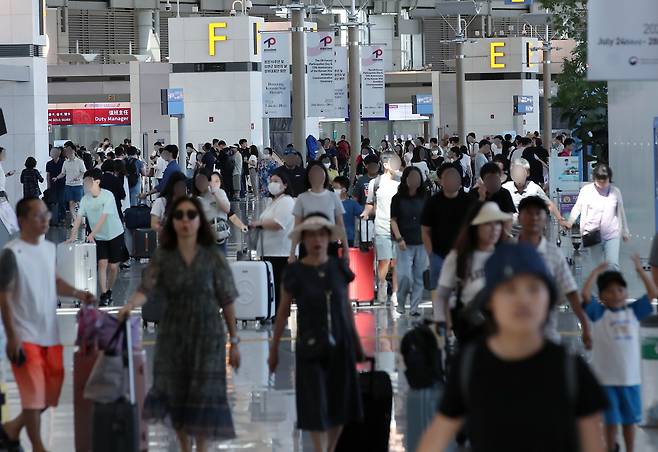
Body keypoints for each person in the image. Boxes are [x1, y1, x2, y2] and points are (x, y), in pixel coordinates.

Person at [417, 243, 608, 452]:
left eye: (534, 288)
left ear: (549, 298)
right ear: (490, 301)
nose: (523, 300)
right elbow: (435, 439)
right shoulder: (470, 367)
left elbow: (593, 444)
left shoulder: (571, 371)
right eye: (509, 289)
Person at [118, 196, 241, 452]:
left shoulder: (213, 257)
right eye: (179, 216)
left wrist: (235, 340)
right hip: (173, 334)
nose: (185, 221)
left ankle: (202, 448)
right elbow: (146, 287)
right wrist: (130, 305)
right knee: (176, 393)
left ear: (200, 221)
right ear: (172, 222)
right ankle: (185, 447)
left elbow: (227, 299)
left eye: (191, 215)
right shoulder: (164, 256)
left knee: (203, 394)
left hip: (208, 336)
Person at [0, 197, 95, 452]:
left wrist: (78, 293)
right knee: (33, 398)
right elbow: (5, 300)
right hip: (25, 337)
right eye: (38, 216)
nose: (45, 220)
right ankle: (39, 447)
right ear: (22, 221)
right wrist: (12, 337)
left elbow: (55, 281)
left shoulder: (48, 248)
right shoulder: (12, 254)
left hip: (50, 336)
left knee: (48, 395)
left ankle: (11, 429)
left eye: (46, 215)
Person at [269, 213, 365, 452]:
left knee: (340, 401)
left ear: (329, 238)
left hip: (340, 342)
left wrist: (357, 344)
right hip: (309, 344)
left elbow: (346, 308)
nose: (317, 240)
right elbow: (282, 313)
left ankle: (330, 448)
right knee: (314, 403)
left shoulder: (339, 269)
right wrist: (274, 350)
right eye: (311, 235)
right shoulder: (295, 273)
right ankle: (319, 448)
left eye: (321, 234)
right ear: (303, 239)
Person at [582, 257, 658, 452]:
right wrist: (596, 270)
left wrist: (641, 271)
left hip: (630, 380)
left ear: (626, 293)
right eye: (610, 290)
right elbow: (584, 294)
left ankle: (630, 449)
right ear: (602, 296)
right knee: (610, 421)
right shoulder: (599, 313)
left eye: (620, 289)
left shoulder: (633, 312)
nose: (616, 294)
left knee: (628, 422)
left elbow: (652, 293)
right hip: (606, 381)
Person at [516, 196, 592, 348]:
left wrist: (585, 325)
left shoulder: (554, 254)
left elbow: (570, 291)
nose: (534, 218)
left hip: (545, 332)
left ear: (545, 219)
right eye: (529, 213)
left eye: (539, 213)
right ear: (519, 218)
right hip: (512, 332)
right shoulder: (507, 251)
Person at [436, 202, 510, 341]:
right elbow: (442, 296)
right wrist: (442, 323)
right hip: (471, 331)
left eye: (498, 223)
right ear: (475, 227)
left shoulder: (507, 256)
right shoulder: (458, 258)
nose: (494, 229)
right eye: (488, 224)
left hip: (503, 330)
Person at [421, 162, 473, 315]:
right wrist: (430, 254)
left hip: (463, 253)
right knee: (439, 287)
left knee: (463, 286)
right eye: (448, 178)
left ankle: (460, 316)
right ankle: (440, 317)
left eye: (455, 178)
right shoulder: (433, 202)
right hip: (439, 254)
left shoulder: (468, 201)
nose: (452, 181)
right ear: (441, 181)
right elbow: (425, 230)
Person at [68, 169, 125, 306]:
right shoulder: (85, 199)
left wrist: (92, 233)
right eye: (84, 182)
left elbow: (104, 217)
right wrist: (72, 236)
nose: (85, 185)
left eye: (88, 182)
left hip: (115, 234)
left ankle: (109, 289)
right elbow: (78, 219)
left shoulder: (108, 196)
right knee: (102, 264)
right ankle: (104, 293)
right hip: (100, 238)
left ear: (97, 182)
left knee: (113, 267)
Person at [564, 163, 629, 270]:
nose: (602, 183)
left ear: (610, 178)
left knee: (613, 264)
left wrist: (625, 231)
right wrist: (570, 221)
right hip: (592, 234)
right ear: (594, 178)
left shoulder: (615, 192)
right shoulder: (586, 191)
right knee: (598, 267)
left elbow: (621, 212)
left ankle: (612, 285)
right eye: (599, 181)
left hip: (612, 234)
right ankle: (600, 285)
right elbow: (578, 207)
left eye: (605, 180)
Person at [249, 173, 295, 315]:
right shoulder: (272, 202)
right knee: (271, 285)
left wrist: (259, 224)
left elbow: (278, 223)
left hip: (280, 252)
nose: (272, 184)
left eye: (276, 181)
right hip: (268, 251)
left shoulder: (287, 201)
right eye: (271, 181)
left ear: (285, 184)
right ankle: (272, 312)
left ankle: (280, 315)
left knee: (279, 285)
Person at [361, 151, 402, 304]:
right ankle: (383, 284)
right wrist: (366, 212)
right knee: (383, 260)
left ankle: (396, 293)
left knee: (397, 261)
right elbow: (370, 203)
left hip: (398, 226)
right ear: (385, 164)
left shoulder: (401, 181)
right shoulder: (375, 183)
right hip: (382, 225)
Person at [290, 161, 348, 260]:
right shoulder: (302, 198)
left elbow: (340, 225)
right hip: (307, 246)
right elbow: (297, 227)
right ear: (308, 176)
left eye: (320, 172)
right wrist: (292, 253)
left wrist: (345, 250)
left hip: (329, 245)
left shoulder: (333, 197)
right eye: (313, 173)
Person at [391, 166, 427, 316]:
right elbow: (393, 220)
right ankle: (400, 301)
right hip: (404, 242)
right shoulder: (398, 198)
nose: (415, 180)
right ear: (405, 179)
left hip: (422, 242)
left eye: (417, 177)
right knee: (405, 276)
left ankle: (414, 307)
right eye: (411, 177)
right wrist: (399, 238)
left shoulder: (424, 197)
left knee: (419, 276)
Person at [502, 158, 563, 225]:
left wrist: (560, 219)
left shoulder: (534, 188)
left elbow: (549, 204)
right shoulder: (505, 188)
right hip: (510, 231)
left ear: (527, 173)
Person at [193, 172, 231, 255]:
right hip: (204, 236)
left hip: (219, 234)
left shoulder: (219, 193)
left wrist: (215, 195)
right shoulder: (195, 199)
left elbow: (227, 209)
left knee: (220, 261)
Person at [52, 145, 86, 225]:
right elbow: (63, 173)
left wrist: (78, 177)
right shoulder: (65, 162)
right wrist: (57, 178)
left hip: (78, 185)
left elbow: (83, 172)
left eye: (69, 150)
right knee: (71, 203)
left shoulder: (79, 162)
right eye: (66, 151)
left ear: (74, 151)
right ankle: (75, 221)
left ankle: (83, 219)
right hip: (68, 185)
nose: (68, 152)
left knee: (79, 203)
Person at [332, 176, 363, 248]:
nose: (333, 190)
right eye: (333, 187)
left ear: (344, 189)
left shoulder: (352, 204)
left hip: (348, 237)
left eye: (335, 187)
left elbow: (363, 213)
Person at [45, 147, 66, 224]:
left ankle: (62, 217)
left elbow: (65, 173)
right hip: (53, 185)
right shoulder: (49, 163)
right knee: (54, 201)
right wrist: (48, 185)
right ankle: (55, 218)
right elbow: (48, 175)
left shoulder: (63, 162)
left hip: (62, 184)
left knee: (61, 200)